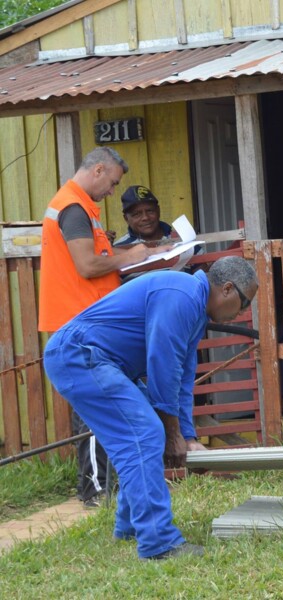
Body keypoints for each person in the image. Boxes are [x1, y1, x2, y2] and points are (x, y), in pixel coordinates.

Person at [42, 256, 258, 560]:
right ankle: (159, 543)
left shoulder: (194, 307)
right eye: (245, 303)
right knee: (144, 435)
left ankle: (130, 526)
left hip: (99, 361)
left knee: (145, 435)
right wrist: (172, 434)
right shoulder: (182, 296)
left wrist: (188, 437)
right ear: (227, 289)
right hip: (80, 356)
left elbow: (182, 377)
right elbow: (162, 365)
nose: (243, 312)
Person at [39, 147, 164, 508]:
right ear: (97, 170)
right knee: (94, 407)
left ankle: (102, 488)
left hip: (85, 319)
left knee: (98, 403)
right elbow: (88, 266)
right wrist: (131, 255)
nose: (112, 191)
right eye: (111, 183)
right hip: (79, 322)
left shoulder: (77, 207)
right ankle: (95, 492)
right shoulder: (73, 208)